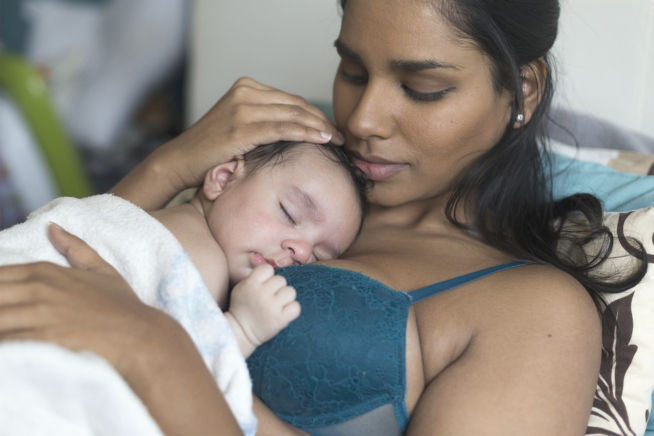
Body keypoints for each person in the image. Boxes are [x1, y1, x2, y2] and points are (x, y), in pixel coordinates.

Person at [0, 1, 648, 435]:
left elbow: (126, 318)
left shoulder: (534, 310)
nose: (363, 120)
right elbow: (83, 251)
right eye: (353, 69)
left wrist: (157, 352)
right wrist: (173, 165)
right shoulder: (296, 174)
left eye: (422, 89)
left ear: (523, 90)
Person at [0, 140, 367, 360]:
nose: (300, 252)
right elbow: (173, 371)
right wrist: (242, 330)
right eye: (289, 213)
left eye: (319, 256)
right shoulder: (199, 259)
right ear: (222, 179)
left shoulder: (156, 221)